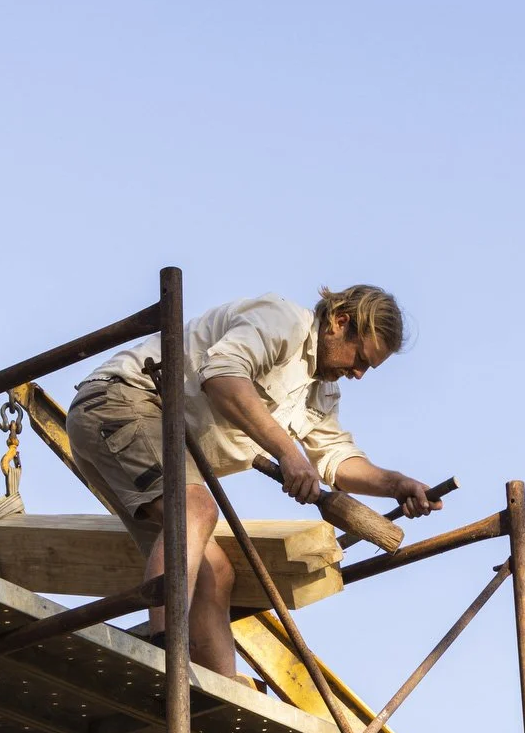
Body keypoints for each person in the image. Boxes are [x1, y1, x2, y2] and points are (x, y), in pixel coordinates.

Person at [66, 285, 443, 677]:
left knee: (216, 573)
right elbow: (223, 376)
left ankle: (215, 699)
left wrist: (396, 484)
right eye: (361, 358)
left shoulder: (322, 393)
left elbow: (335, 458)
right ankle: (165, 661)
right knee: (194, 511)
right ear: (340, 322)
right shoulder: (283, 322)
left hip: (158, 442)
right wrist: (288, 452)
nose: (359, 374)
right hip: (119, 403)